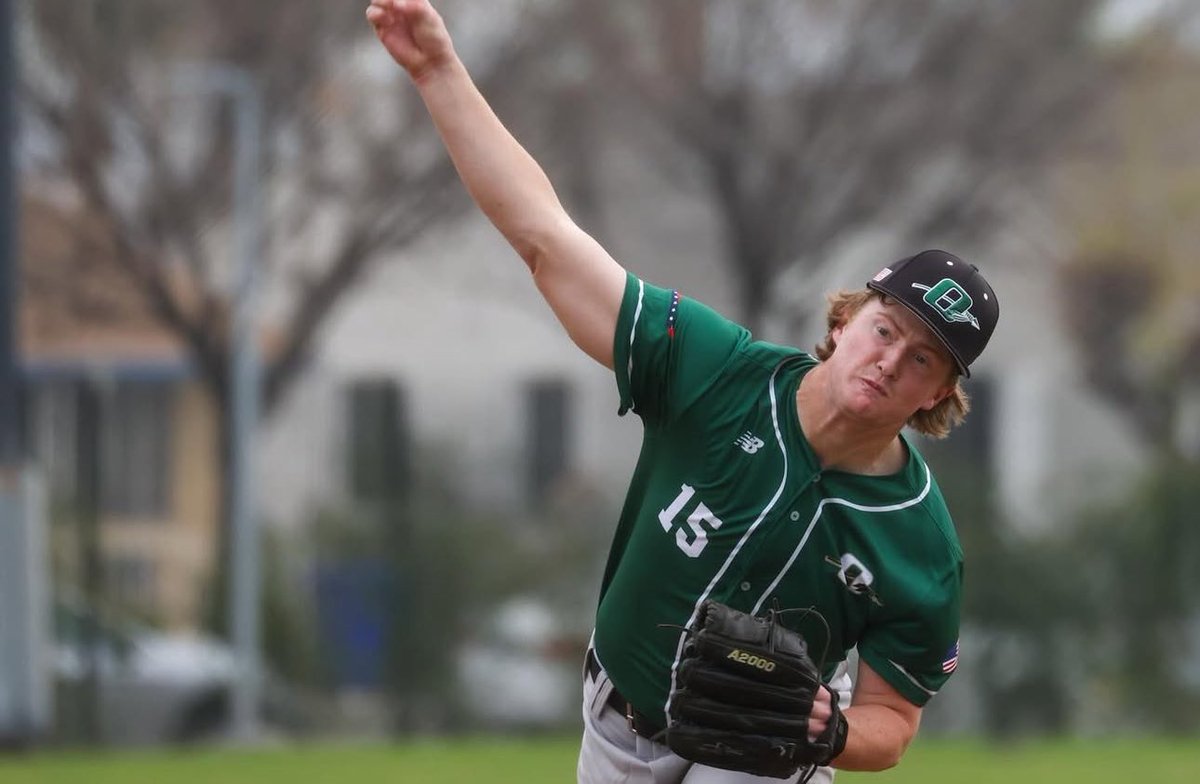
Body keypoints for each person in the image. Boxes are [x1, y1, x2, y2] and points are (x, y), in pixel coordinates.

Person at [365, 2, 1000, 782]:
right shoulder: (716, 371)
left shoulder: (921, 545)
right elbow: (546, 238)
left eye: (923, 359)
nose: (891, 360)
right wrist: (438, 71)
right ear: (844, 320)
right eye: (885, 328)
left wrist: (832, 729)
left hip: (763, 757)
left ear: (938, 395)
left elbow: (893, 724)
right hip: (618, 729)